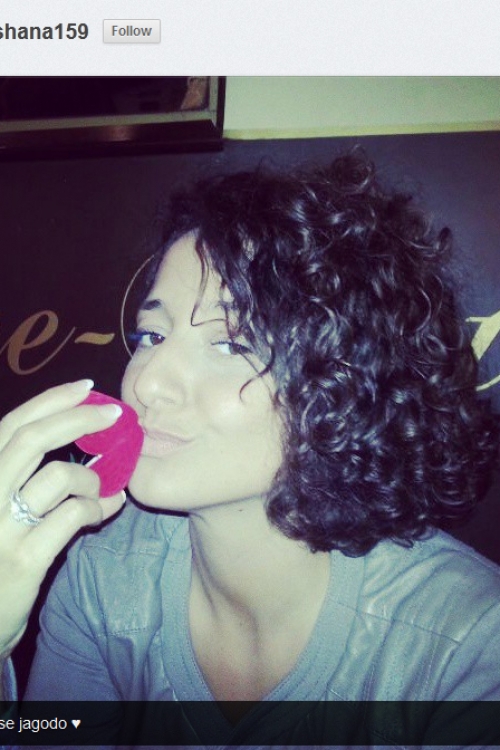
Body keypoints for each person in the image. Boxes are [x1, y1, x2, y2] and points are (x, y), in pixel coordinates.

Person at [1, 151, 499, 748]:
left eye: (232, 345)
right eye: (152, 335)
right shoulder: (106, 573)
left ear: (346, 383)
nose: (147, 382)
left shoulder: (467, 643)